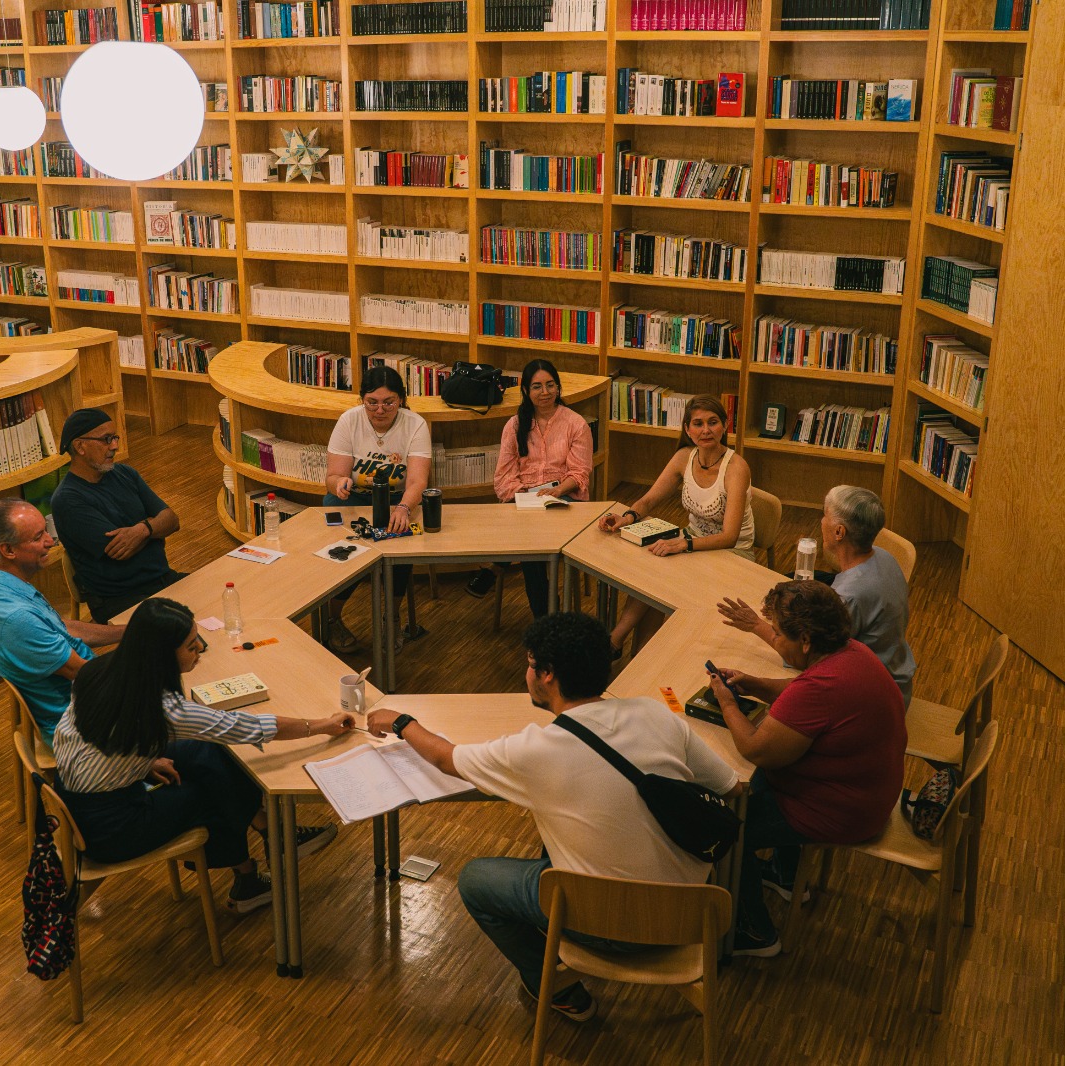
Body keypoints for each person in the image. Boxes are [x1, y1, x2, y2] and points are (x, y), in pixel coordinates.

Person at [366, 612, 740, 1022]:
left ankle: (554, 982)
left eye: (530, 663)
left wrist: (402, 722)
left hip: (604, 926)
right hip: (691, 916)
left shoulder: (534, 752)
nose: (526, 671)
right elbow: (729, 786)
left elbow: (445, 757)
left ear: (546, 675)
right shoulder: (656, 714)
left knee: (475, 879)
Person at [54, 598, 352, 913]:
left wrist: (141, 763)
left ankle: (269, 842)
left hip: (73, 799)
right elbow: (248, 727)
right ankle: (258, 863)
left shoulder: (99, 671)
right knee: (212, 786)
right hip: (111, 829)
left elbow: (75, 738)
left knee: (203, 755)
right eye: (190, 646)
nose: (199, 649)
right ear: (161, 655)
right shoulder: (164, 709)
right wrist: (322, 725)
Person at [708, 580, 906, 957]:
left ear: (805, 641)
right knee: (757, 787)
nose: (775, 640)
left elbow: (756, 750)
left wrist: (728, 705)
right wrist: (751, 684)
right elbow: (799, 690)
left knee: (728, 827)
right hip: (867, 789)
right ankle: (785, 876)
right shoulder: (852, 653)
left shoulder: (822, 687)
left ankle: (757, 932)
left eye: (779, 635)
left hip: (842, 811)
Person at [717, 485, 916, 702]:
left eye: (825, 515)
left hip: (873, 698)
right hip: (896, 676)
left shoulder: (848, 597)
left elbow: (803, 655)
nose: (821, 522)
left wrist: (755, 624)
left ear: (839, 532)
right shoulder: (885, 557)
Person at [595, 394, 755, 656]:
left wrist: (683, 544)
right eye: (698, 423)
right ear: (687, 430)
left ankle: (614, 643)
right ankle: (634, 655)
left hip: (733, 554)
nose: (706, 430)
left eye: (713, 422)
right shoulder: (684, 457)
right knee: (652, 568)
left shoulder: (737, 467)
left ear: (725, 427)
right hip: (692, 540)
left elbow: (730, 537)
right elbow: (649, 500)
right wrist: (626, 517)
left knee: (662, 576)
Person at [0, 498, 125, 740]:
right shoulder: (17, 618)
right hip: (88, 724)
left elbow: (62, 628)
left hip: (91, 695)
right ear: (8, 550)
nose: (49, 541)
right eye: (37, 537)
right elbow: (85, 675)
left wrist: (131, 631)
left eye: (45, 529)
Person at [467, 359, 594, 619]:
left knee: (528, 545)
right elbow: (503, 477)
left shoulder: (576, 424)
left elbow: (579, 473)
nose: (545, 392)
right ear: (525, 390)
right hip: (524, 501)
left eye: (550, 385)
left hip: (565, 499)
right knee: (532, 547)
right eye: (537, 387)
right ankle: (547, 619)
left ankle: (498, 570)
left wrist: (557, 492)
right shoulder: (515, 425)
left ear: (559, 388)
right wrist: (525, 498)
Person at [322, 365, 432, 651]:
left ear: (401, 400)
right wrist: (340, 483)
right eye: (372, 402)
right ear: (362, 400)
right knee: (346, 552)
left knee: (401, 549)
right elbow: (332, 478)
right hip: (353, 499)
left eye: (389, 402)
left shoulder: (415, 424)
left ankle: (392, 617)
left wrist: (405, 509)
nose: (380, 409)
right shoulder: (348, 421)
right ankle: (331, 619)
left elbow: (418, 482)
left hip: (397, 501)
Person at [50, 408, 186, 624]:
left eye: (115, 438)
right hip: (120, 599)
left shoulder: (125, 473)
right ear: (80, 446)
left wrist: (143, 530)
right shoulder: (67, 500)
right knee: (186, 634)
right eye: (106, 439)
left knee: (224, 593)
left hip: (163, 580)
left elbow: (172, 520)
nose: (114, 446)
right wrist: (154, 528)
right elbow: (122, 550)